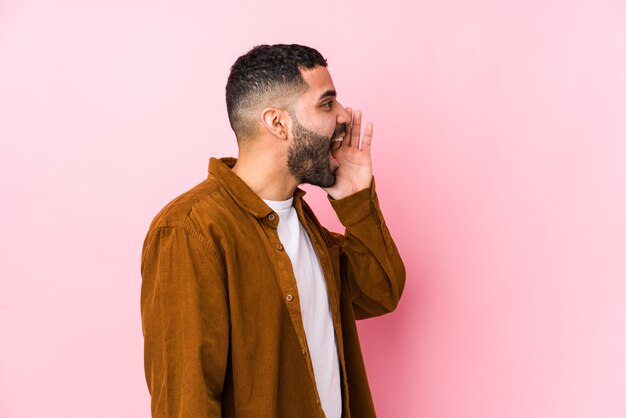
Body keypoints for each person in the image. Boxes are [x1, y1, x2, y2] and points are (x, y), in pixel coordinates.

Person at [140, 44, 406, 418]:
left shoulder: (303, 223)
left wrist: (355, 200)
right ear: (277, 123)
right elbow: (186, 403)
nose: (344, 115)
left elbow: (380, 293)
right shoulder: (190, 230)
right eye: (326, 104)